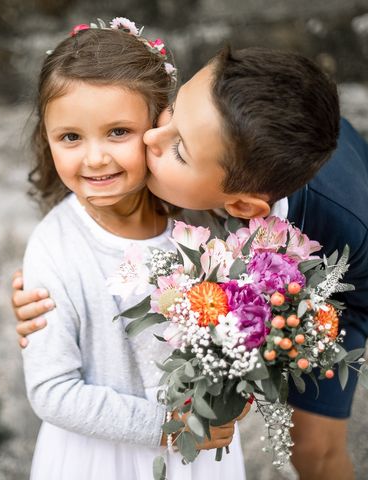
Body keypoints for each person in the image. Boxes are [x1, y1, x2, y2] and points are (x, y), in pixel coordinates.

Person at [13, 46, 368, 479]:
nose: (148, 139)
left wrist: (285, 343)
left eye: (179, 149)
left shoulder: (344, 222)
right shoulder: (217, 108)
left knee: (312, 450)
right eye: (172, 111)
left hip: (333, 292)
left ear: (239, 205)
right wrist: (53, 304)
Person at [20, 20, 247, 480]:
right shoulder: (54, 249)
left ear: (161, 124)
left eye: (118, 131)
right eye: (70, 137)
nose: (95, 157)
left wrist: (238, 391)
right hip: (102, 458)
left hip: (198, 452)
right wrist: (167, 425)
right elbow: (51, 390)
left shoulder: (200, 220)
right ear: (46, 136)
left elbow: (243, 320)